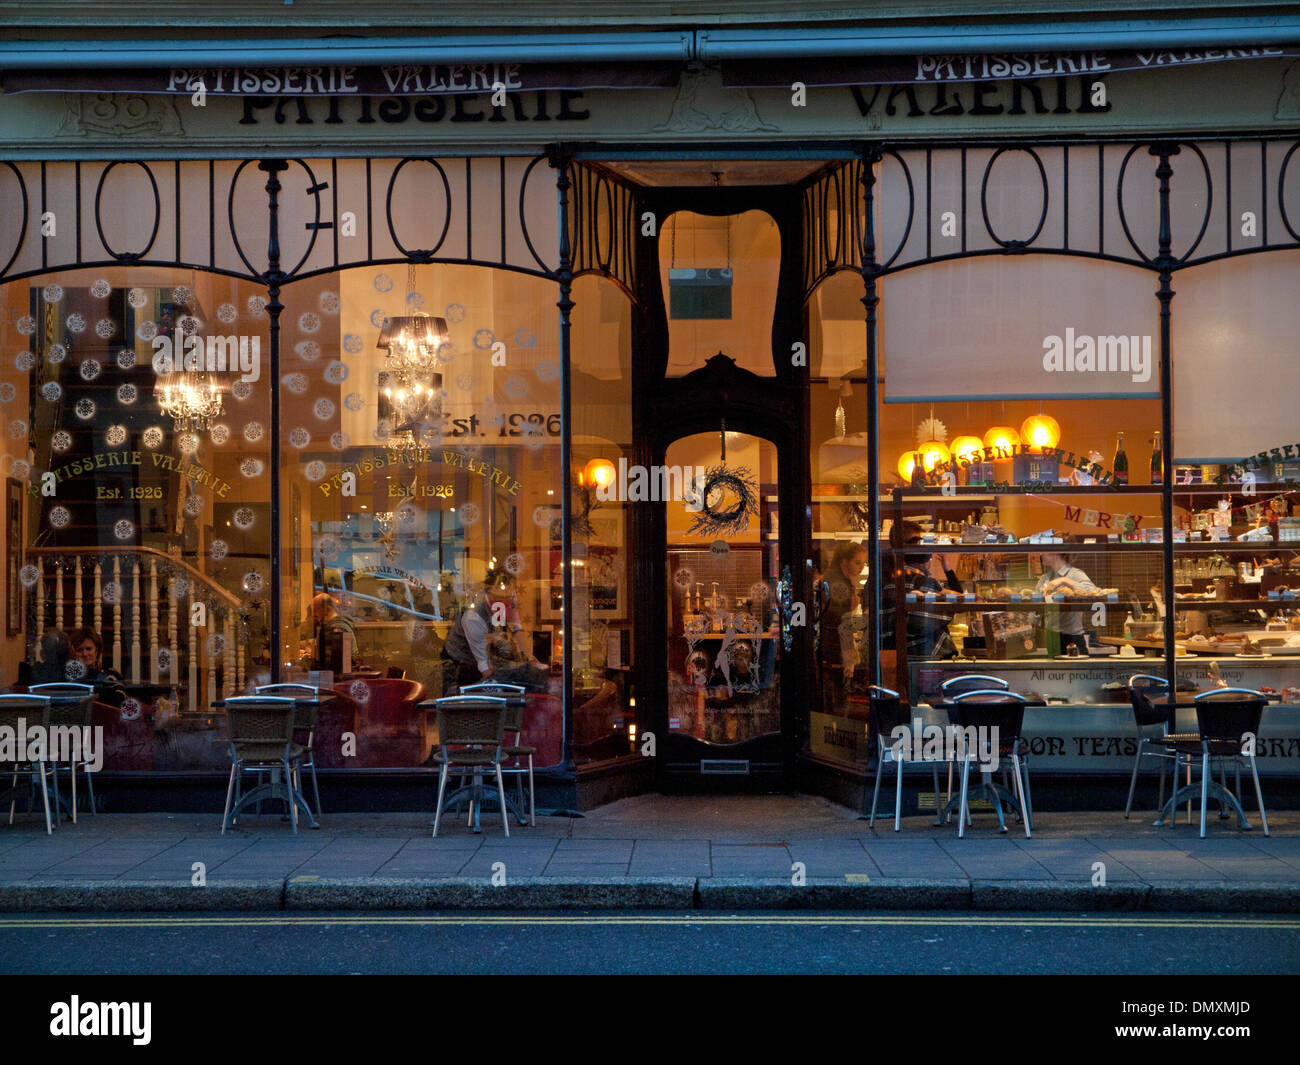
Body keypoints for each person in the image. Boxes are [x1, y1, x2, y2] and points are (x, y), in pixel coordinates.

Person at [441, 570, 543, 691]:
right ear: (488, 591)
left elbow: (516, 628)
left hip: (484, 654)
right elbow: (484, 667)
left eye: (509, 595)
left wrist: (528, 656)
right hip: (459, 660)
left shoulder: (508, 597)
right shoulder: (473, 617)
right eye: (500, 596)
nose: (506, 600)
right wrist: (507, 686)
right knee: (464, 698)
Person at [880, 521, 964, 658]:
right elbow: (957, 604)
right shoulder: (924, 583)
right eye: (917, 544)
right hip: (925, 659)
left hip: (899, 660)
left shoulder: (888, 582)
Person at [1035, 549, 1099, 654]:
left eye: (1044, 551)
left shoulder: (1074, 574)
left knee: (1074, 671)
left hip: (1072, 637)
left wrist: (1064, 580)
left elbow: (1093, 590)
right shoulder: (1045, 578)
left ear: (1055, 552)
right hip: (1051, 636)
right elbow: (1035, 607)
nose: (1040, 554)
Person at [64, 627, 127, 706]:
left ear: (97, 650)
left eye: (88, 649)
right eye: (80, 650)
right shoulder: (69, 677)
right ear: (73, 652)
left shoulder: (111, 674)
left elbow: (119, 701)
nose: (85, 654)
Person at [312, 591, 357, 672]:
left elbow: (340, 663)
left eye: (316, 610)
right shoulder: (330, 627)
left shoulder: (338, 629)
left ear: (327, 609)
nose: (314, 614)